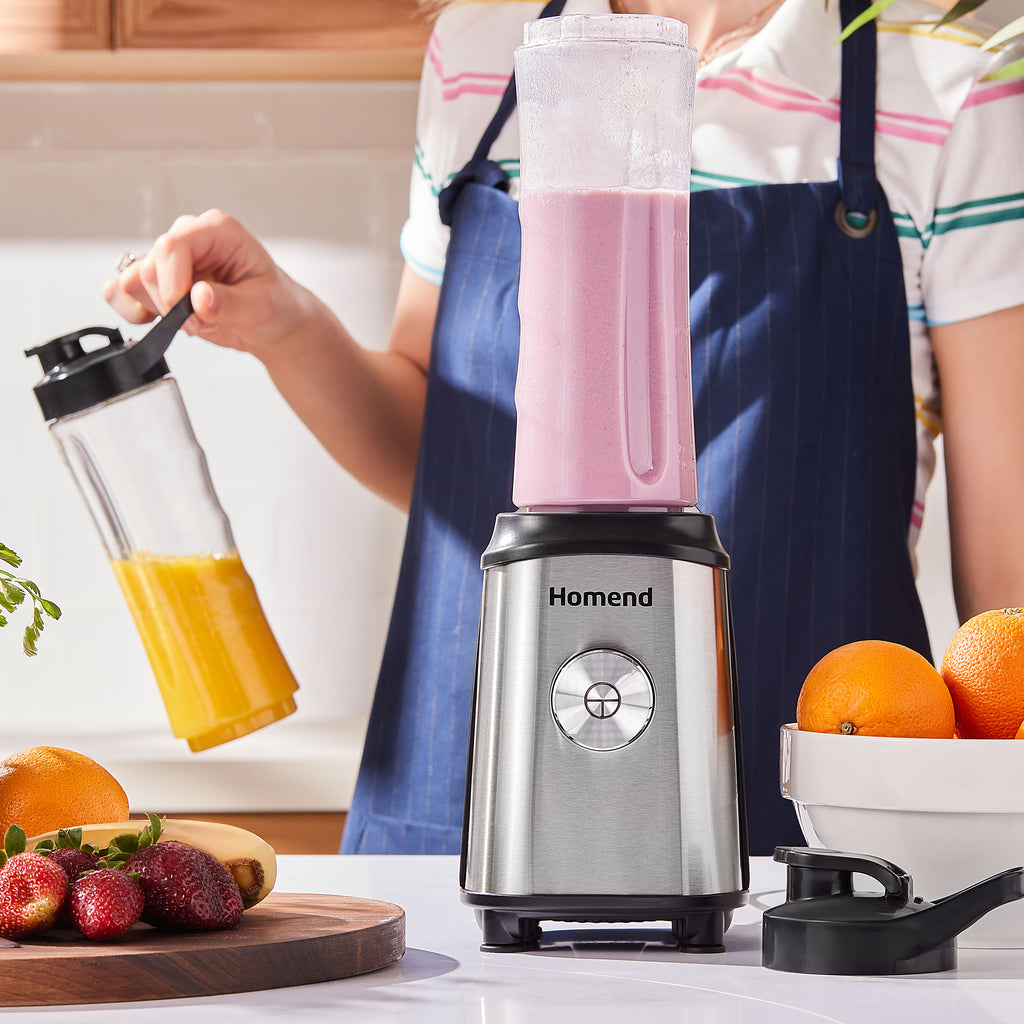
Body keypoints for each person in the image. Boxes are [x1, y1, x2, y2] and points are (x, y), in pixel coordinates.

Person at [103, 0, 1024, 856]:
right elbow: (448, 454)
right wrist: (288, 326)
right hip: (465, 796)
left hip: (790, 842)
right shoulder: (482, 49)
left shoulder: (953, 70)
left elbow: (1006, 605)